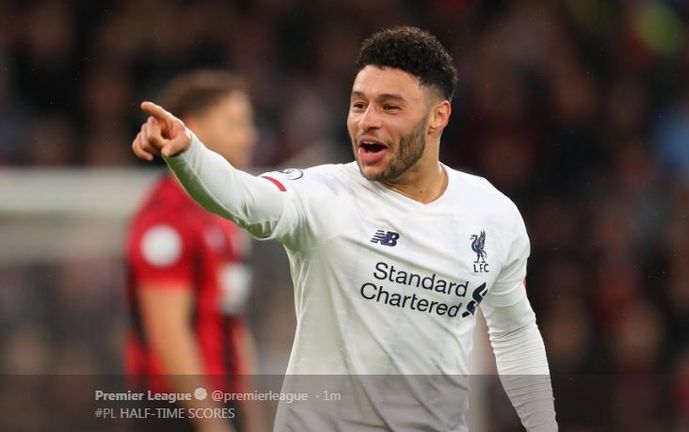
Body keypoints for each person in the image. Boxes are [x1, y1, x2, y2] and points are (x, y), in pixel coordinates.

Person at [131, 27, 557, 431]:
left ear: (437, 117)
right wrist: (187, 151)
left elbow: (514, 329)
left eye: (389, 107)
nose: (367, 120)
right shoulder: (321, 196)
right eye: (358, 104)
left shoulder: (492, 214)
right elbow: (241, 196)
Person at [125, 70, 262, 432]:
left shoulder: (225, 216)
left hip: (222, 404)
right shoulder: (166, 218)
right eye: (236, 123)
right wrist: (212, 424)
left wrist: (250, 417)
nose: (250, 136)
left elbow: (233, 323)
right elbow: (169, 332)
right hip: (174, 412)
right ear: (195, 126)